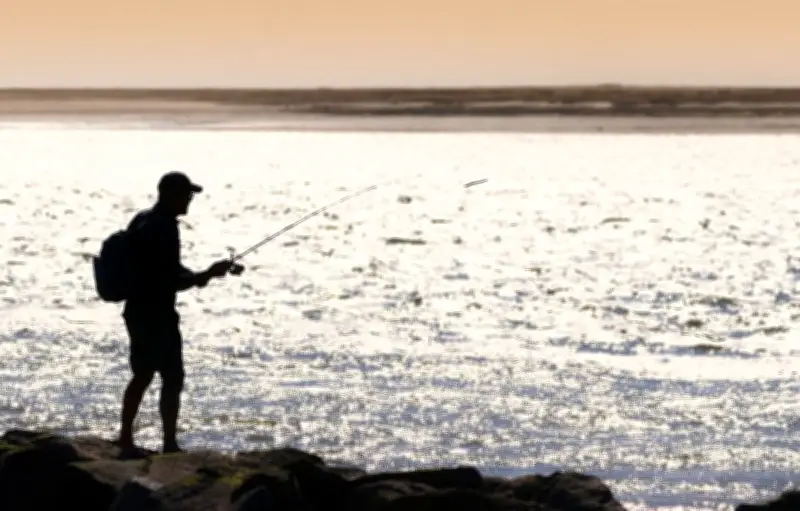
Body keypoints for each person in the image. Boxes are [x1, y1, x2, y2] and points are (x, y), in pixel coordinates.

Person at [117, 171, 241, 456]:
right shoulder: (165, 228)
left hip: (136, 310)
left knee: (143, 374)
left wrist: (203, 274)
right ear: (171, 195)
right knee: (172, 377)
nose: (189, 200)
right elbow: (170, 279)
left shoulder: (142, 219)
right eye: (186, 195)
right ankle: (169, 445)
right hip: (157, 313)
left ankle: (125, 438)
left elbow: (168, 270)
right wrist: (206, 275)